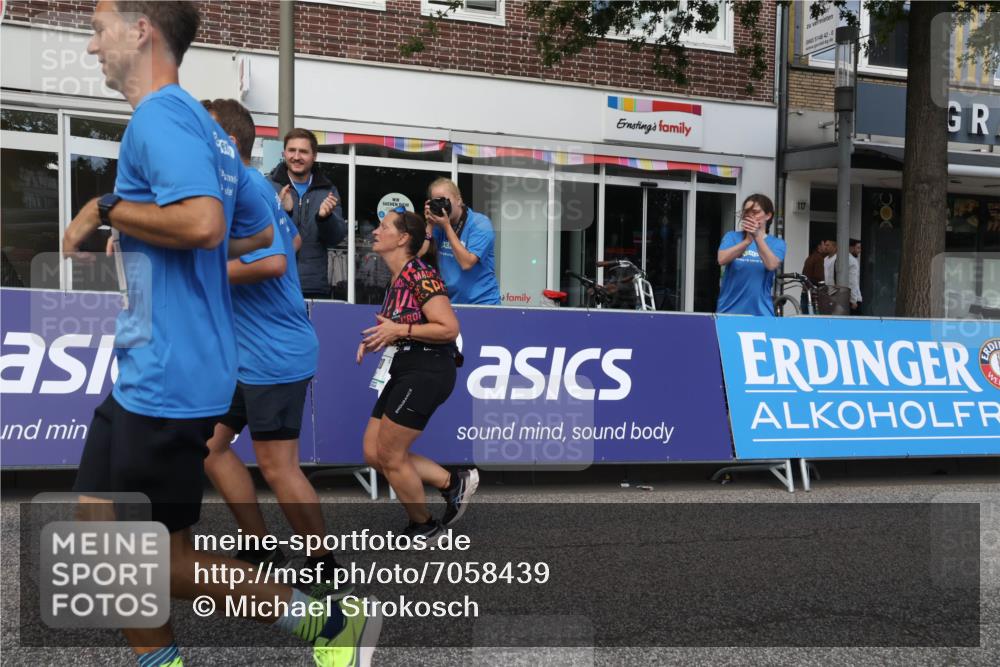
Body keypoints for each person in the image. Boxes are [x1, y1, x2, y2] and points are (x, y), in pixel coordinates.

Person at [63, 4, 378, 666]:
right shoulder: (205, 131)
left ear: (141, 30)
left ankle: (326, 621)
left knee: (151, 558)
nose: (91, 46)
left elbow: (205, 224)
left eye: (98, 28)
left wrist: (107, 207)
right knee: (96, 526)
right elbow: (255, 232)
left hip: (167, 374)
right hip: (154, 368)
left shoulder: (160, 118)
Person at [200, 98, 345, 593]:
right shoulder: (254, 188)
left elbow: (276, 262)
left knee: (277, 466)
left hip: (275, 354)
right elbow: (294, 244)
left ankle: (324, 565)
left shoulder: (245, 190)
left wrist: (200, 271)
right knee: (210, 447)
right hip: (244, 355)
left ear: (228, 143)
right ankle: (260, 546)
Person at [357, 208, 479, 540]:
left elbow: (448, 328)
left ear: (403, 238)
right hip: (404, 366)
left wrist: (399, 330)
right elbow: (399, 329)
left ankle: (424, 525)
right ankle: (451, 483)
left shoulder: (420, 274)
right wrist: (378, 340)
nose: (375, 232)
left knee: (390, 454)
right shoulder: (397, 278)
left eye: (383, 227)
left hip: (427, 369)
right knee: (373, 452)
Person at [268, 128, 346, 300]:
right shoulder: (268, 186)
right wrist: (284, 213)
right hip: (275, 283)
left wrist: (325, 219)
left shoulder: (328, 190)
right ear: (284, 153)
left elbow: (336, 238)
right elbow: (259, 235)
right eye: (291, 150)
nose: (296, 157)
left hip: (313, 287)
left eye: (303, 151)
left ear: (314, 156)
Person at [425, 177, 501, 305]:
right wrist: (430, 225)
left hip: (482, 302)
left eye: (444, 200)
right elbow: (421, 255)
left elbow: (467, 263)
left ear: (459, 200)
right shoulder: (437, 225)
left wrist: (447, 226)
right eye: (436, 202)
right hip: (450, 302)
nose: (441, 206)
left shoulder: (480, 224)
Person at [716, 194, 786, 316]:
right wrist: (747, 241)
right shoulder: (732, 236)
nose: (750, 215)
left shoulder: (777, 243)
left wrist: (757, 236)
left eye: (755, 212)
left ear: (768, 215)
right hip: (729, 311)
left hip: (761, 313)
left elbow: (771, 265)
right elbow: (721, 259)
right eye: (747, 212)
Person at [801, 238, 832, 313]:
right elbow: (819, 279)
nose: (825, 247)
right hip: (813, 295)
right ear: (819, 246)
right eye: (824, 245)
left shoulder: (810, 258)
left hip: (806, 292)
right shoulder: (818, 258)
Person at [849, 238, 863, 314]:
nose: (859, 250)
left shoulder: (846, 259)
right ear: (851, 248)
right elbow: (852, 281)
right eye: (858, 248)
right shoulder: (852, 261)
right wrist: (853, 300)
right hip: (853, 299)